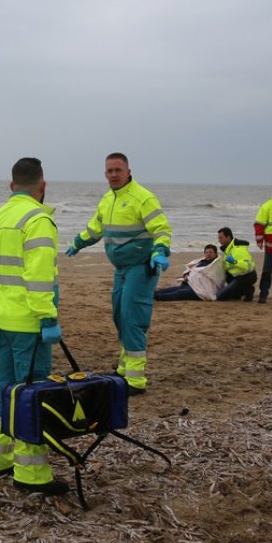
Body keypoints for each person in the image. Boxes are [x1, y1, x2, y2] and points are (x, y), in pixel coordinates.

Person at [0, 157, 66, 496]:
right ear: (42, 187)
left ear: (11, 186)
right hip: (28, 323)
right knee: (31, 394)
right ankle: (31, 474)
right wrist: (48, 318)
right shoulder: (39, 220)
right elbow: (39, 277)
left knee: (2, 389)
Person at [65, 152, 172, 394]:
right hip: (121, 268)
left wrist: (160, 251)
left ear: (128, 171)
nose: (114, 175)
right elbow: (95, 229)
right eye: (109, 171)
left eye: (118, 170)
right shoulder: (107, 200)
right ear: (105, 174)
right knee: (119, 315)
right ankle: (125, 370)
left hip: (141, 265)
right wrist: (78, 243)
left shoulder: (143, 198)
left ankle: (136, 380)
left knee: (132, 316)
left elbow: (162, 229)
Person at [153, 245, 224, 301]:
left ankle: (156, 296)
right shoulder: (201, 261)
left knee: (179, 293)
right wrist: (186, 275)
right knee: (173, 289)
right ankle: (153, 293)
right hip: (190, 284)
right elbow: (191, 269)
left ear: (215, 253)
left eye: (211, 252)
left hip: (201, 290)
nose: (208, 254)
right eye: (207, 252)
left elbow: (216, 277)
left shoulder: (216, 265)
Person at [215, 227, 258, 302]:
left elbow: (247, 266)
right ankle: (242, 291)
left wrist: (234, 262)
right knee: (234, 296)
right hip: (235, 276)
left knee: (220, 296)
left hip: (247, 276)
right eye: (218, 238)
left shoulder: (238, 249)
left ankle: (248, 290)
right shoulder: (228, 249)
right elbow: (227, 266)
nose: (219, 240)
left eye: (221, 238)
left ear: (228, 237)